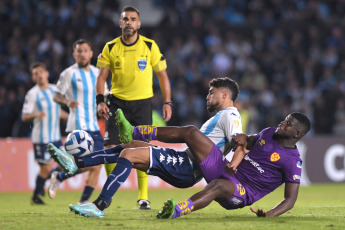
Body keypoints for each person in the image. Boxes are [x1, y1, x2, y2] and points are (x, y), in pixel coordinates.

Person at [48, 77, 244, 217]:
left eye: (212, 92)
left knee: (129, 155)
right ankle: (77, 163)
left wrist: (234, 164)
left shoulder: (231, 115)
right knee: (128, 145)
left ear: (225, 94)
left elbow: (239, 143)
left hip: (187, 168)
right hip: (182, 160)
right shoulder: (221, 116)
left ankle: (99, 205)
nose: (207, 96)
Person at [95, 6, 172, 210]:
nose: (129, 22)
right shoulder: (110, 47)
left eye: (133, 19)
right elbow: (101, 77)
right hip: (117, 102)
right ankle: (109, 191)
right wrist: (100, 101)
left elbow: (162, 75)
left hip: (142, 105)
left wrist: (167, 102)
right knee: (110, 148)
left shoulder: (149, 45)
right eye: (125, 19)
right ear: (120, 23)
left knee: (142, 149)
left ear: (139, 23)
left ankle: (143, 197)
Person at [48, 39, 107, 205]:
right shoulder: (69, 73)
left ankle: (82, 202)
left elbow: (106, 95)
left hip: (94, 126)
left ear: (91, 53)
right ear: (74, 54)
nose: (82, 54)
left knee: (98, 164)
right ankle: (59, 175)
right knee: (88, 163)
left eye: (85, 50)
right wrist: (67, 102)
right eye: (79, 51)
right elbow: (56, 95)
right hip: (77, 126)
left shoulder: (97, 73)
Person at [21, 62, 68, 204]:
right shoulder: (32, 94)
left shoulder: (54, 90)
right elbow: (24, 116)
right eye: (35, 73)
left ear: (46, 73)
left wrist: (72, 118)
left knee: (64, 164)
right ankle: (36, 196)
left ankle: (42, 185)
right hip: (41, 138)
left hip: (55, 136)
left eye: (41, 72)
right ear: (33, 77)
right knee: (45, 167)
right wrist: (35, 114)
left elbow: (58, 111)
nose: (39, 75)